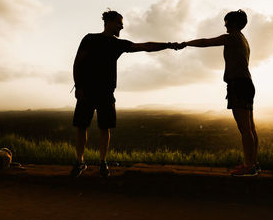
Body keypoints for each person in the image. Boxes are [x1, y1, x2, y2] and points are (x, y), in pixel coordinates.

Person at [70, 10, 180, 177]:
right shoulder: (90, 38)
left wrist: (168, 44)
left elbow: (145, 47)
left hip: (105, 91)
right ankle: (80, 161)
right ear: (109, 22)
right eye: (119, 22)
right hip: (88, 89)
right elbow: (78, 62)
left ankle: (102, 162)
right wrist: (78, 86)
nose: (122, 26)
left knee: (103, 127)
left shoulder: (117, 44)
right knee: (82, 126)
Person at [179, 9, 260, 176]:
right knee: (250, 127)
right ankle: (253, 163)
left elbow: (206, 42)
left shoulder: (232, 37)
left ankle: (249, 166)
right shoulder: (243, 39)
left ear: (235, 23)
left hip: (238, 84)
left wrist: (186, 43)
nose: (225, 25)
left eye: (227, 22)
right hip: (246, 83)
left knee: (245, 128)